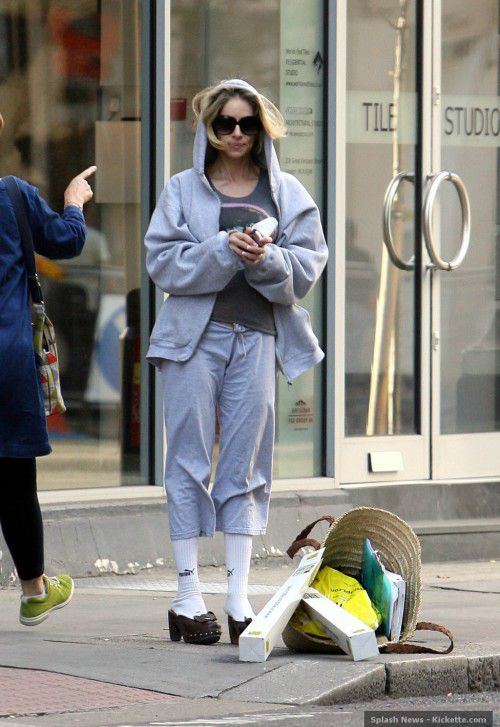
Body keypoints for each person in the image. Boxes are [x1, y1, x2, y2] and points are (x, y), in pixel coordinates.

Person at [145, 79, 328, 645]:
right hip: (193, 341)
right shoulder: (181, 189)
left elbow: (308, 264)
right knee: (188, 460)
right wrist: (223, 249)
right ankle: (187, 596)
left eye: (248, 123)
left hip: (257, 339)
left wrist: (265, 259)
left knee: (247, 465)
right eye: (225, 123)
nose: (237, 133)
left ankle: (238, 597)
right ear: (209, 128)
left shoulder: (286, 192)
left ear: (262, 129)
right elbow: (162, 262)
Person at [0, 110, 95, 625]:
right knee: (15, 480)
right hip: (8, 363)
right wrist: (74, 201)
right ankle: (35, 591)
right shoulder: (13, 196)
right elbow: (66, 240)